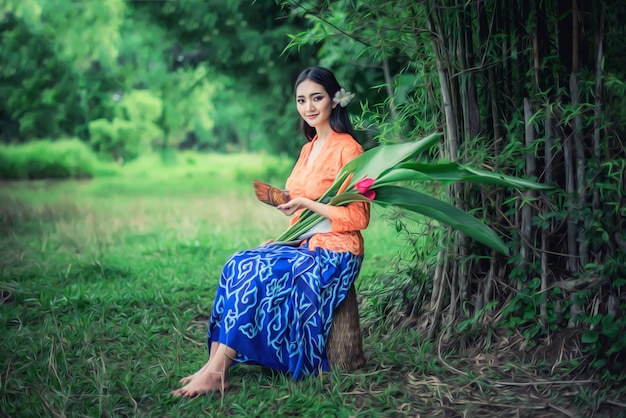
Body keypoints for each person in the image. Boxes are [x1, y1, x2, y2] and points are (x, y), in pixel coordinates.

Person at [171, 67, 370, 398]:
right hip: (306, 243)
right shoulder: (308, 148)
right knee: (241, 262)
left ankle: (217, 371)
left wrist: (307, 202)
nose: (309, 107)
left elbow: (358, 217)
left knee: (261, 269)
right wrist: (285, 237)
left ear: (334, 101)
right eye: (301, 100)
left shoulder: (348, 149)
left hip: (337, 252)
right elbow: (305, 215)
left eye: (317, 98)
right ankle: (212, 366)